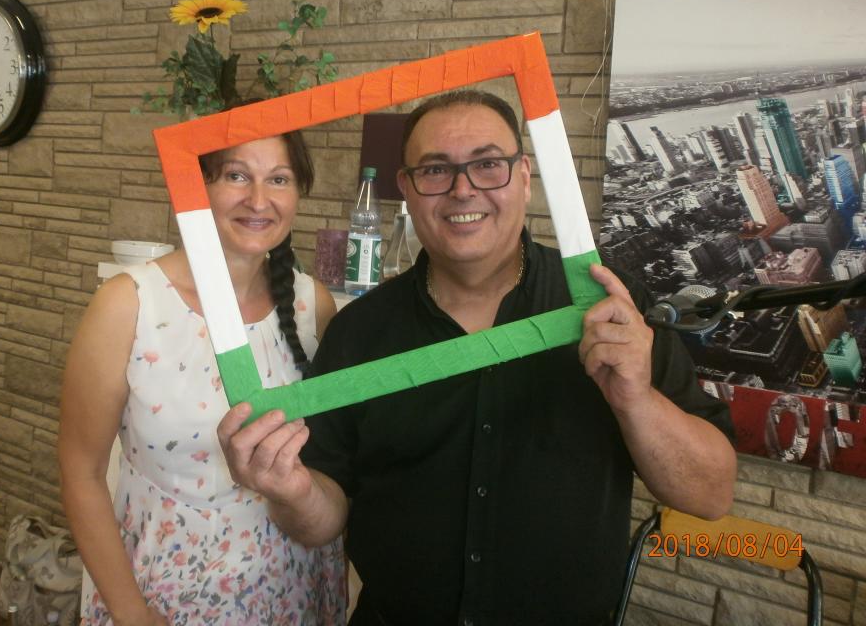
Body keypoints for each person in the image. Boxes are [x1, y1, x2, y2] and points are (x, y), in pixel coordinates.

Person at [217, 90, 737, 625]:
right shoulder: (358, 330)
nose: (463, 188)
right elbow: (322, 518)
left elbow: (710, 495)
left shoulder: (611, 307)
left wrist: (636, 400)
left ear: (524, 177)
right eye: (435, 170)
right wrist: (291, 493)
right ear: (406, 189)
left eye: (488, 164)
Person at [59, 131, 347, 626]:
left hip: (291, 589)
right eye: (236, 175)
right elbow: (80, 472)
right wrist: (132, 614)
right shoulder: (130, 304)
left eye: (279, 179)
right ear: (196, 186)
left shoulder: (310, 304)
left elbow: (331, 459)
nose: (258, 199)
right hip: (166, 592)